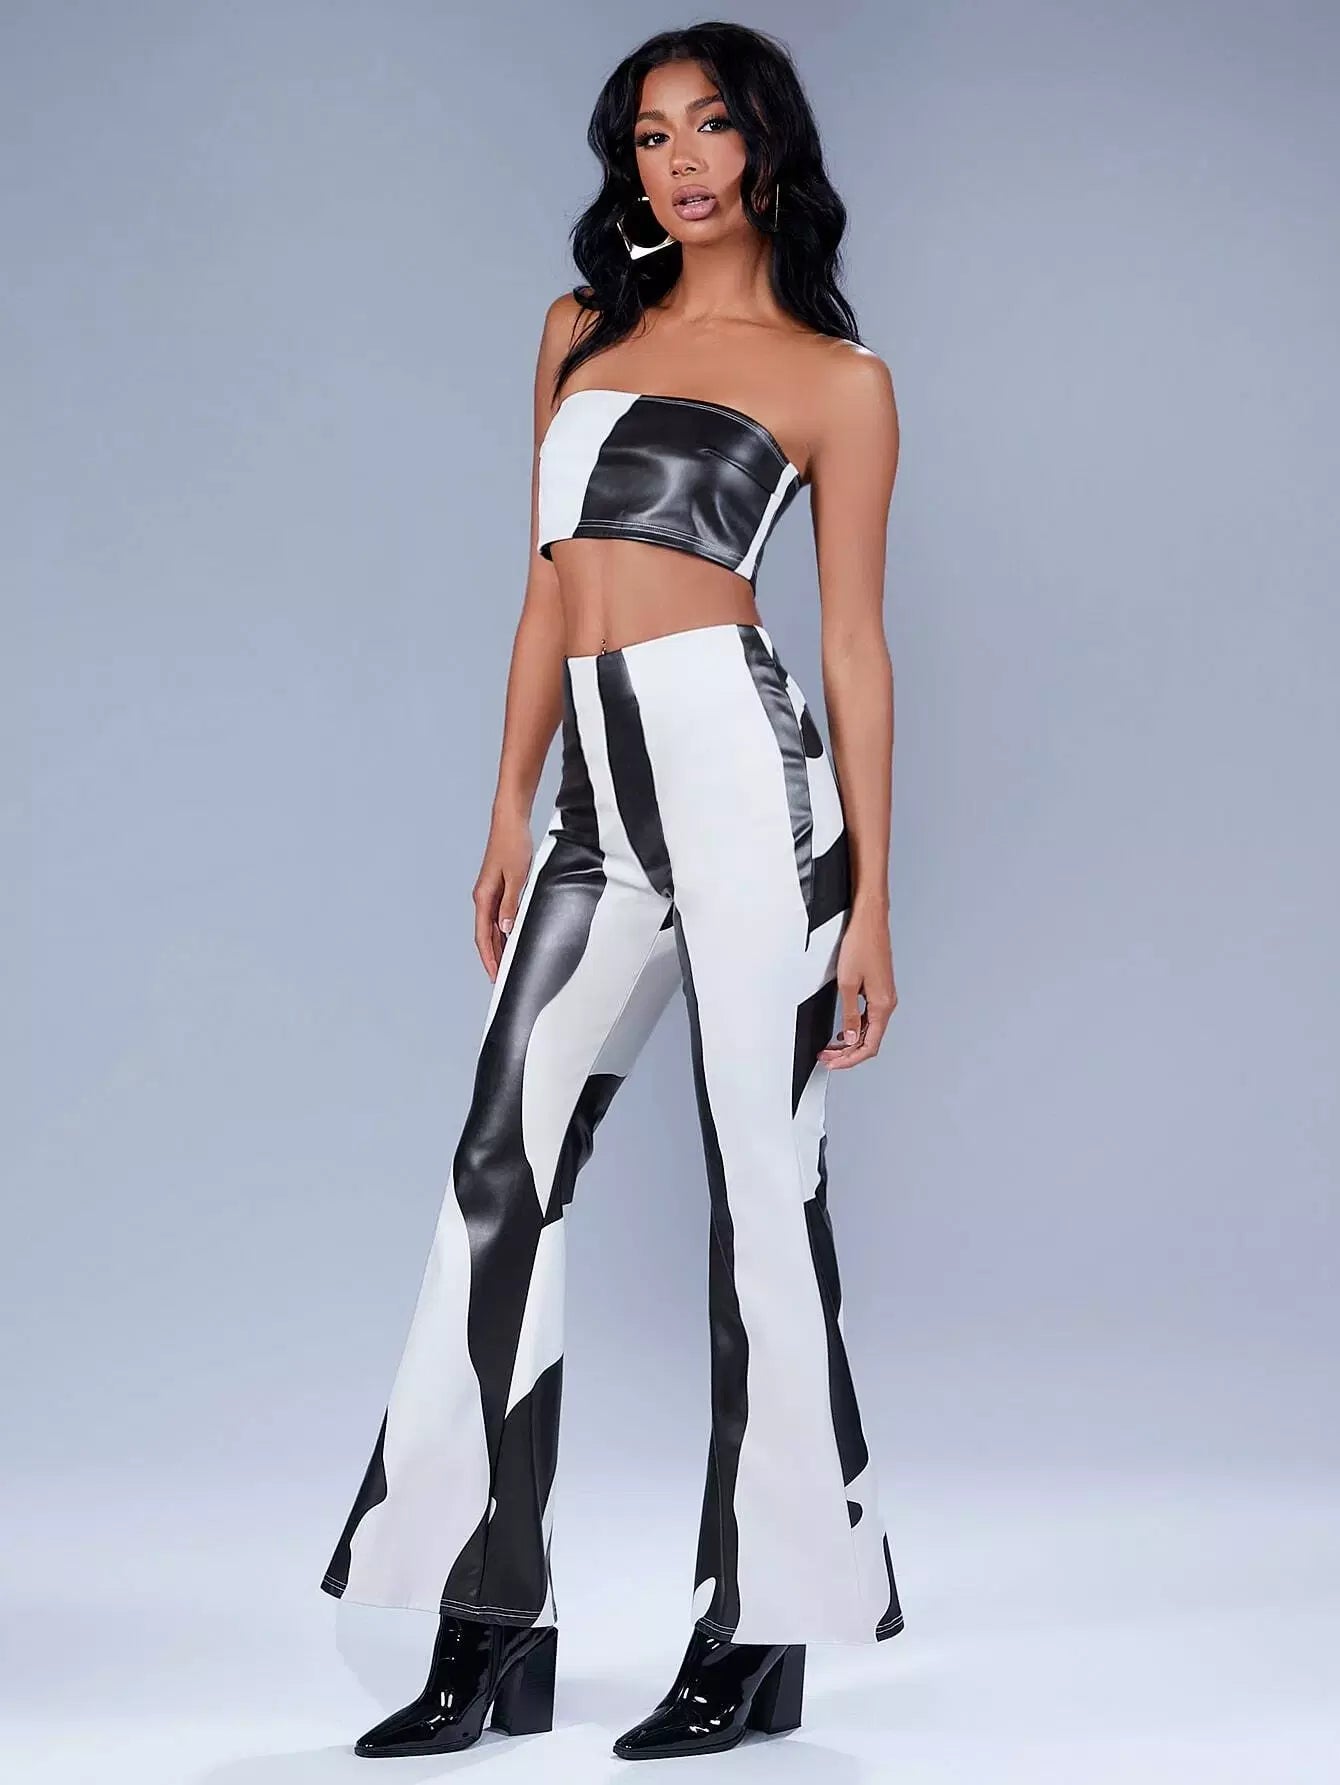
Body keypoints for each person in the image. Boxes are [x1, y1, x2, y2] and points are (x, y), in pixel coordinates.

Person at [319, 20, 904, 1762]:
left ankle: (763, 1623)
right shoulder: (578, 332)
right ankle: (488, 1612)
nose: (681, 160)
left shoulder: (834, 380)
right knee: (500, 1165)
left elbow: (854, 650)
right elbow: (544, 586)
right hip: (595, 803)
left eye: (711, 126)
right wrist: (507, 804)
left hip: (747, 789)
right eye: (650, 135)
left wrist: (875, 899)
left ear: (769, 147)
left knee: (764, 1190)